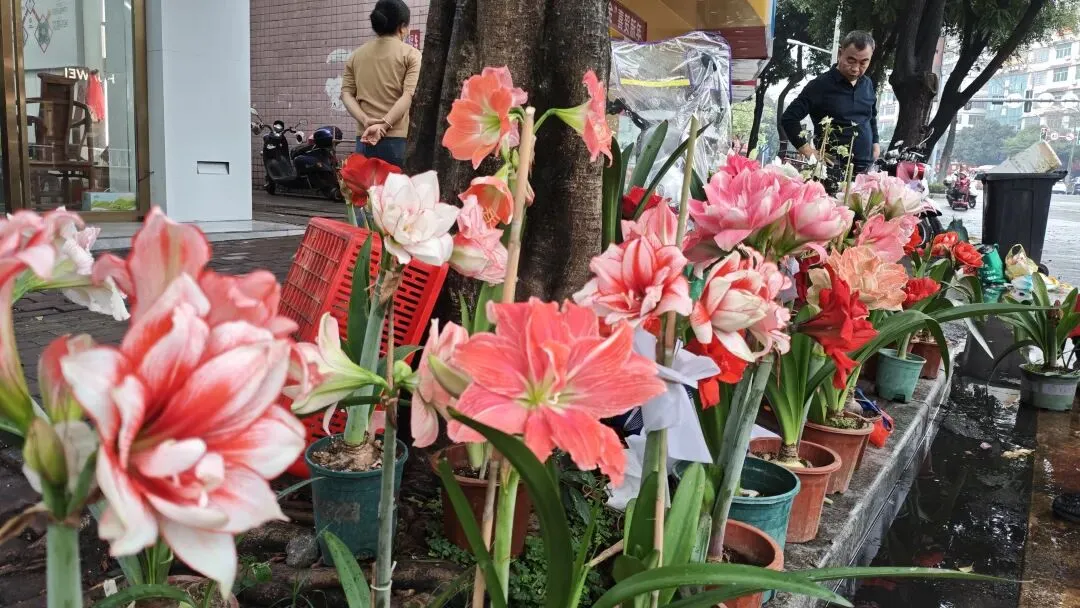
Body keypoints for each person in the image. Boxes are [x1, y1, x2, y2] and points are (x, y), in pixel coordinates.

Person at [781, 30, 880, 174]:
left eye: (863, 62)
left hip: (865, 170)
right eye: (851, 61)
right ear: (840, 53)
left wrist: (875, 143)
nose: (855, 68)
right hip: (833, 170)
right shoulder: (820, 85)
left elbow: (871, 116)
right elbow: (789, 118)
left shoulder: (867, 84)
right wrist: (808, 151)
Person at [340, 0, 421, 168]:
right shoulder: (411, 54)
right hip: (397, 140)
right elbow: (408, 96)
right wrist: (384, 125)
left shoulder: (356, 56)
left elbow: (346, 94)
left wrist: (365, 120)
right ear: (402, 26)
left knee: (366, 192)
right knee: (396, 192)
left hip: (364, 138)